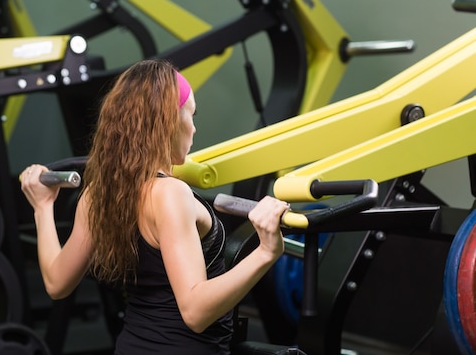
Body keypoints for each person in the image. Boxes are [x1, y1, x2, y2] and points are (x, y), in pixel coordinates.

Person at [20, 58, 288, 355]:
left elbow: (57, 283)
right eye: (191, 115)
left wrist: (42, 208)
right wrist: (266, 252)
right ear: (169, 121)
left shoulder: (99, 193)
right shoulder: (169, 195)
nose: (194, 129)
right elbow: (196, 312)